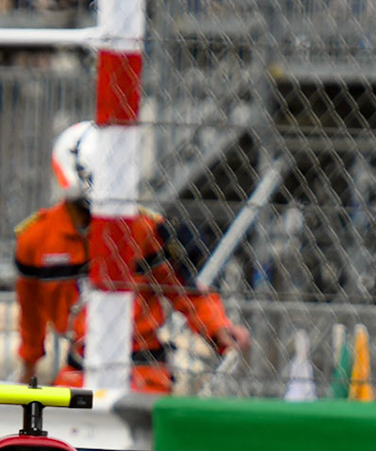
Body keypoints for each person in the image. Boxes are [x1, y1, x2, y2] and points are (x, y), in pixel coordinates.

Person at [15, 121, 250, 394]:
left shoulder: (143, 229)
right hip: (80, 367)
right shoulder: (36, 239)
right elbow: (30, 312)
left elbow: (184, 290)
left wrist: (217, 327)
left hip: (145, 369)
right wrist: (29, 364)